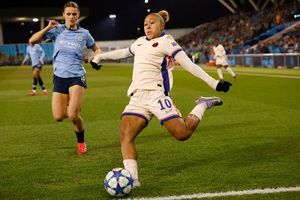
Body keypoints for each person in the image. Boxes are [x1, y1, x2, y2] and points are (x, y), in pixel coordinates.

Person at [91, 10, 232, 187]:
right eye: (145, 24)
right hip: (137, 96)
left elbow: (189, 65)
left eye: (152, 23)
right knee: (126, 136)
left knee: (182, 134)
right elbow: (123, 53)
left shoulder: (167, 42)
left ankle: (203, 104)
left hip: (156, 95)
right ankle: (133, 180)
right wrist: (100, 57)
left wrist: (214, 83)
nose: (147, 26)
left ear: (162, 25)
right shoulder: (140, 42)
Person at [29, 1, 101, 155]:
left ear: (78, 15)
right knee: (58, 117)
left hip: (77, 75)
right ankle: (73, 104)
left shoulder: (84, 34)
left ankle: (81, 142)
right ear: (63, 15)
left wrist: (95, 58)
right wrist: (48, 27)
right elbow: (32, 41)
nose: (71, 16)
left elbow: (97, 49)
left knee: (73, 115)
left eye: (74, 14)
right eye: (68, 14)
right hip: (60, 77)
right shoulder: (57, 30)